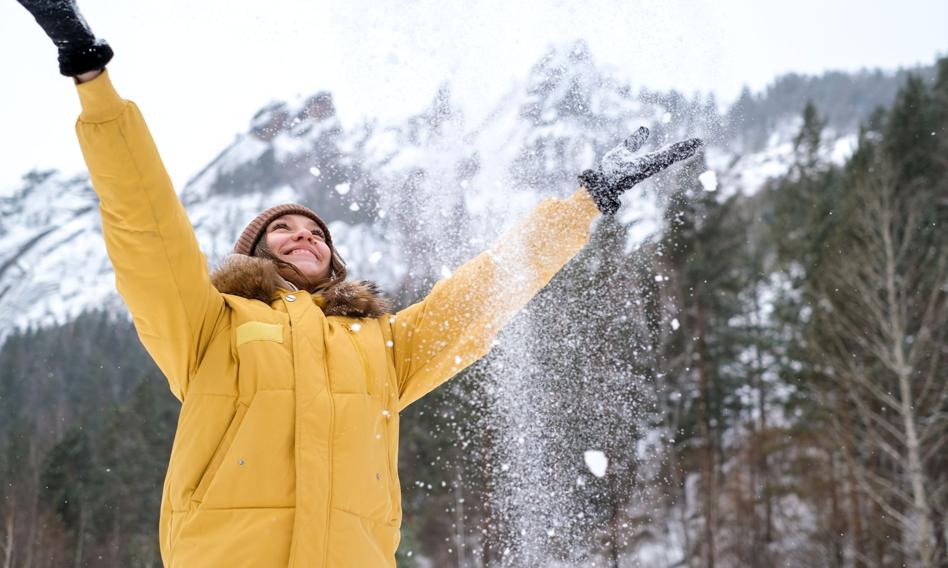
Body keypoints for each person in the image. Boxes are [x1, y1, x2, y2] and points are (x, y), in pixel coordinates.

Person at [15, 1, 702, 565]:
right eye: (283, 230)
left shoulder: (379, 344)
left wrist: (583, 206)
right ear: (253, 255)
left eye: (316, 232)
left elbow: (480, 295)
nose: (305, 235)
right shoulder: (207, 324)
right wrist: (90, 75)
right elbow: (145, 225)